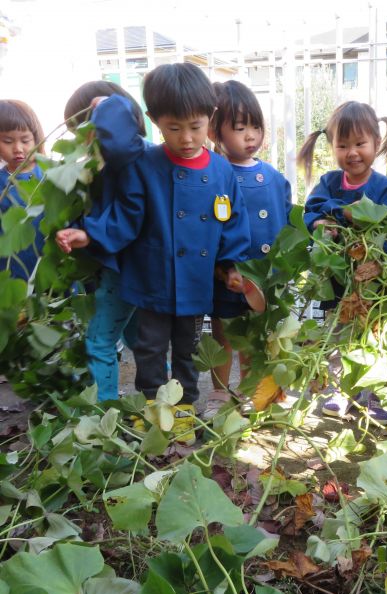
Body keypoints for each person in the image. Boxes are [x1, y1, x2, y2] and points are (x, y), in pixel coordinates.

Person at [56, 63, 251, 444]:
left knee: (187, 353)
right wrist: (88, 234)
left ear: (209, 118)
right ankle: (151, 410)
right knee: (147, 351)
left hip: (195, 286)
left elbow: (232, 223)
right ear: (153, 121)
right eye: (173, 128)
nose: (186, 138)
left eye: (195, 127)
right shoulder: (144, 164)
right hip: (151, 281)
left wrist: (230, 267)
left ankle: (183, 413)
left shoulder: (223, 171)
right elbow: (126, 215)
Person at [297, 100, 387, 421]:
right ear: (331, 147)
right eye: (342, 145)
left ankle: (375, 393)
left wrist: (382, 262)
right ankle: (340, 390)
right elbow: (311, 211)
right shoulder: (328, 184)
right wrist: (320, 222)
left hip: (375, 282)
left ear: (376, 143)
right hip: (337, 279)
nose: (352, 152)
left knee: (376, 338)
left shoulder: (385, 189)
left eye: (360, 144)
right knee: (337, 335)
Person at [204, 80, 292, 419]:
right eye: (240, 128)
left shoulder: (272, 176)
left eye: (256, 126)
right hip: (228, 276)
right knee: (225, 335)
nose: (251, 135)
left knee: (258, 336)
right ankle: (218, 393)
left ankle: (257, 391)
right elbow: (210, 229)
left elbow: (286, 226)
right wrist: (223, 268)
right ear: (215, 131)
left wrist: (283, 269)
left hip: (265, 277)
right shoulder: (214, 175)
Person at [63, 81, 147, 402]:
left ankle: (104, 415)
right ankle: (157, 400)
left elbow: (125, 217)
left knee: (99, 341)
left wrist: (107, 108)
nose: (80, 140)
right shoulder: (104, 165)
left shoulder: (129, 156)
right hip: (131, 266)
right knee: (140, 338)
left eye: (83, 128)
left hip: (125, 268)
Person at [0, 99, 45, 280]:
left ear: (36, 137)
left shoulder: (51, 173)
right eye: (7, 141)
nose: (18, 149)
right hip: (12, 269)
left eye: (25, 140)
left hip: (51, 268)